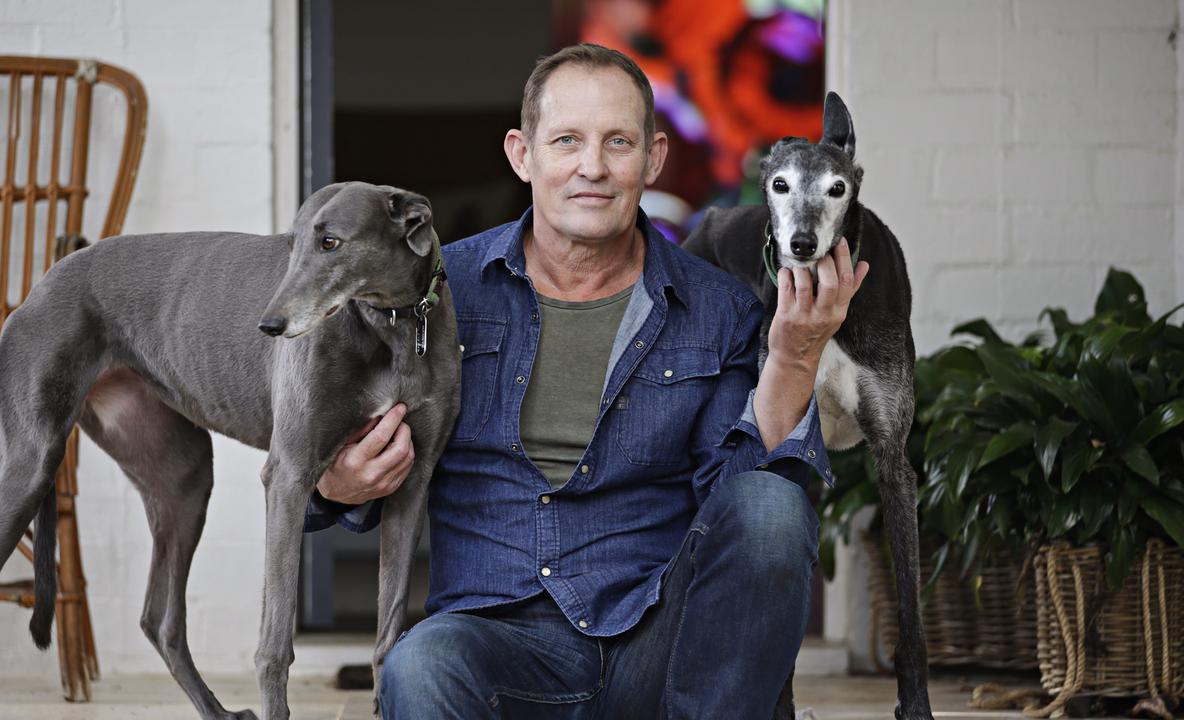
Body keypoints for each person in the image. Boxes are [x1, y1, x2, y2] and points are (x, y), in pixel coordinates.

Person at [304, 43, 867, 719]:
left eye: (618, 142)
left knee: (774, 507)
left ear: (654, 158)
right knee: (419, 664)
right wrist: (334, 483)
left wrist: (797, 358)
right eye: (567, 140)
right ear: (522, 153)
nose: (592, 168)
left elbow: (746, 508)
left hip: (656, 647)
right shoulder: (432, 294)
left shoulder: (718, 308)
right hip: (492, 641)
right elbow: (314, 472)